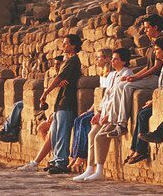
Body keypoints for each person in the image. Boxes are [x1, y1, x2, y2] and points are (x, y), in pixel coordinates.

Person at [73, 48, 134, 182]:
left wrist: (109, 115)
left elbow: (118, 99)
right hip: (105, 112)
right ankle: (90, 168)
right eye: (112, 58)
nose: (112, 61)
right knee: (91, 134)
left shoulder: (127, 74)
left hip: (114, 114)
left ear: (123, 61)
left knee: (100, 138)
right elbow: (106, 96)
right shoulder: (112, 75)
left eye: (116, 59)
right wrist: (99, 112)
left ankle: (99, 170)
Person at [102, 14, 163, 137]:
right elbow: (148, 66)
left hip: (158, 79)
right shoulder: (153, 44)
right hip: (151, 77)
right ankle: (114, 122)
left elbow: (157, 67)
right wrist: (134, 76)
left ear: (155, 27)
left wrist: (137, 78)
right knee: (120, 85)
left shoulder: (161, 42)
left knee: (127, 87)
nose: (145, 31)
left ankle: (122, 124)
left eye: (147, 28)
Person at [125, 36, 163, 165]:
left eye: (157, 49)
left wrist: (154, 102)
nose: (155, 52)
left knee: (144, 114)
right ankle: (135, 148)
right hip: (160, 100)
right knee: (141, 112)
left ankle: (140, 150)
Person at [40, 34, 83, 174]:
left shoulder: (73, 60)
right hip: (61, 101)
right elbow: (61, 78)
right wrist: (59, 83)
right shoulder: (67, 60)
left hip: (68, 102)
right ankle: (55, 159)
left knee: (63, 132)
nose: (63, 46)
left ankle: (61, 162)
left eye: (66, 44)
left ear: (73, 46)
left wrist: (46, 92)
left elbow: (60, 77)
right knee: (56, 132)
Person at [69, 48, 113, 173]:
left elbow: (107, 96)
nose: (96, 60)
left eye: (98, 57)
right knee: (78, 120)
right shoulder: (102, 75)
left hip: (104, 110)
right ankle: (75, 154)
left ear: (106, 59)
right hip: (98, 108)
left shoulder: (111, 76)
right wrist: (89, 110)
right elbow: (99, 98)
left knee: (84, 123)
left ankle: (81, 156)